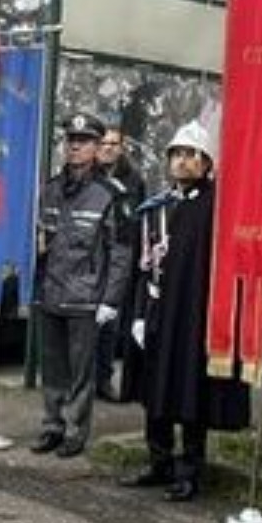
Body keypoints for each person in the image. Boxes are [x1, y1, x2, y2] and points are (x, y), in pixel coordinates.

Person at [117, 121, 248, 503]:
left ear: (207, 163)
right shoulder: (156, 207)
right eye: (176, 154)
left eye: (192, 155)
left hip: (193, 315)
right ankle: (158, 461)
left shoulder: (217, 208)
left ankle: (190, 469)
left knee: (190, 390)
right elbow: (143, 265)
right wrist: (139, 313)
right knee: (153, 386)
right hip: (158, 310)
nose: (182, 161)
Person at [31, 111, 131, 458]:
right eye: (70, 141)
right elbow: (42, 241)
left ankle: (76, 429)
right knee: (53, 366)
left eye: (83, 141)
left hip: (87, 297)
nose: (75, 147)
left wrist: (111, 299)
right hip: (51, 292)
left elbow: (121, 251)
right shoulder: (52, 189)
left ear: (96, 147)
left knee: (80, 371)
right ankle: (52, 425)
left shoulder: (109, 194)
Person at [95, 125, 145, 401]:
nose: (108, 147)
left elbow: (137, 218)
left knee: (110, 325)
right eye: (104, 142)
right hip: (90, 259)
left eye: (114, 143)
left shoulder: (133, 180)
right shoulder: (87, 175)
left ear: (122, 147)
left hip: (120, 257)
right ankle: (83, 383)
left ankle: (103, 380)